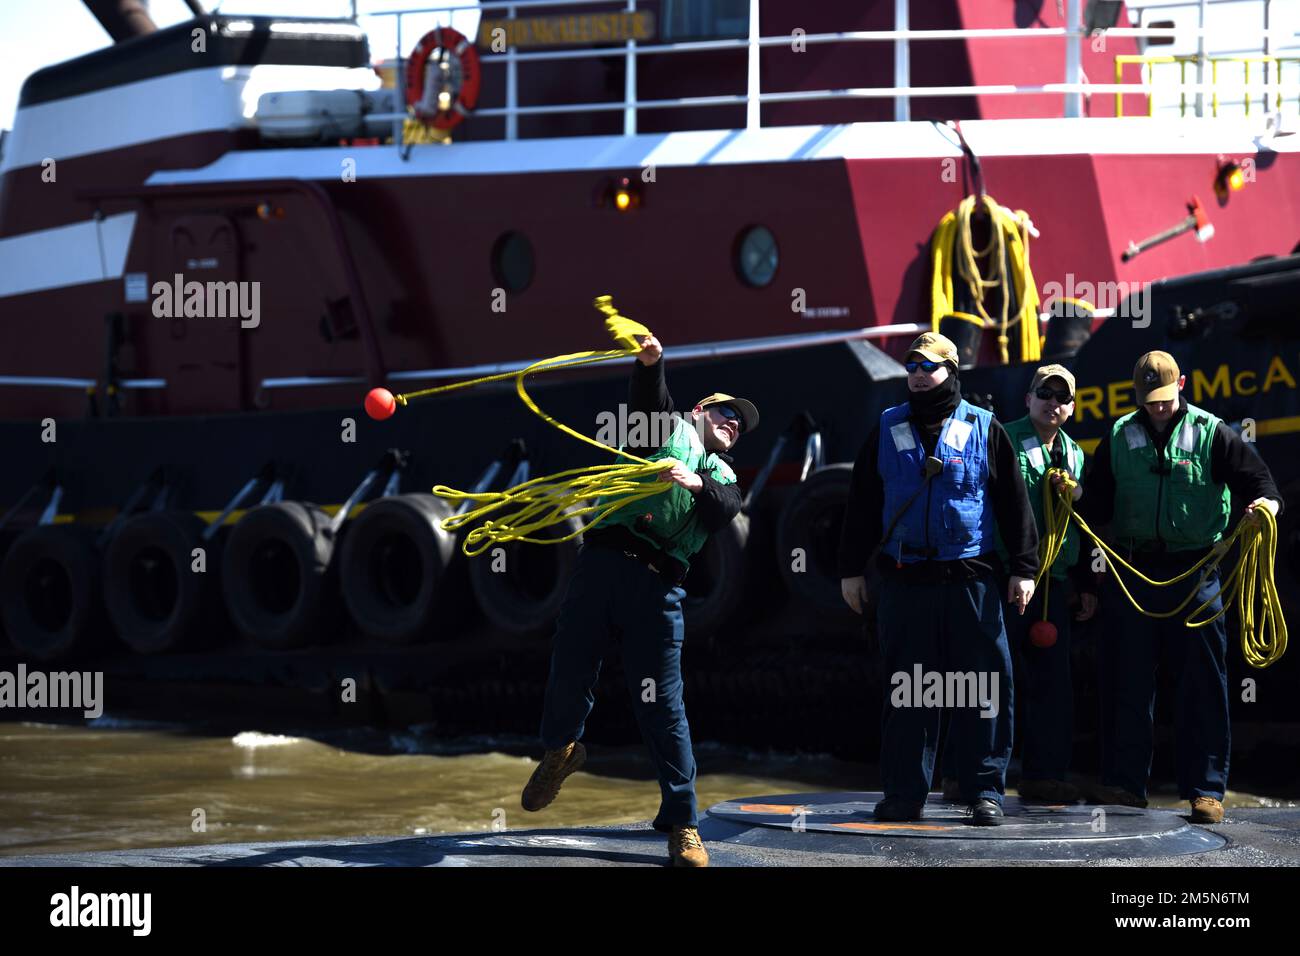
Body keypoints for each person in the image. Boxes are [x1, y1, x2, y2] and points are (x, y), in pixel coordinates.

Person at [520, 333, 759, 866]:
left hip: (658, 588)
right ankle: (561, 750)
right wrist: (651, 363)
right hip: (602, 565)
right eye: (726, 412)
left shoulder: (722, 476)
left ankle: (683, 825)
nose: (734, 423)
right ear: (699, 410)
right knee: (570, 667)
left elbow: (725, 510)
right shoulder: (663, 430)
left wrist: (694, 481)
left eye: (739, 425)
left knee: (663, 707)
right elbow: (650, 400)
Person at [838, 332, 1039, 826]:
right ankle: (906, 794)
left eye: (929, 365)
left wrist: (1023, 569)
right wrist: (849, 571)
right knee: (910, 689)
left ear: (951, 371)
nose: (918, 372)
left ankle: (983, 792)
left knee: (982, 687)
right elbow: (861, 504)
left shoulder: (986, 428)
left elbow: (1015, 504)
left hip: (971, 580)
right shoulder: (886, 428)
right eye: (911, 364)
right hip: (906, 581)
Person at [1081, 351, 1281, 824]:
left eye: (1166, 399)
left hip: (1195, 574)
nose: (1159, 409)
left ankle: (1206, 791)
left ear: (1183, 386)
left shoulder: (1214, 433)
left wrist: (1267, 507)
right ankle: (1125, 786)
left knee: (1203, 686)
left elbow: (1262, 482)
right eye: (1150, 402)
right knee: (1127, 683)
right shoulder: (1118, 436)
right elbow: (1094, 509)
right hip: (1133, 575)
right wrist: (1084, 566)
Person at [938, 364, 1097, 803]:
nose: (1053, 403)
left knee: (1052, 686)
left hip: (1052, 585)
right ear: (1028, 399)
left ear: (1072, 406)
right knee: (987, 680)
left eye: (1062, 397)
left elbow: (1077, 526)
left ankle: (1044, 776)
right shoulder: (1000, 437)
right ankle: (962, 774)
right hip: (1003, 580)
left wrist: (1084, 583)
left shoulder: (1075, 455)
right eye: (1045, 394)